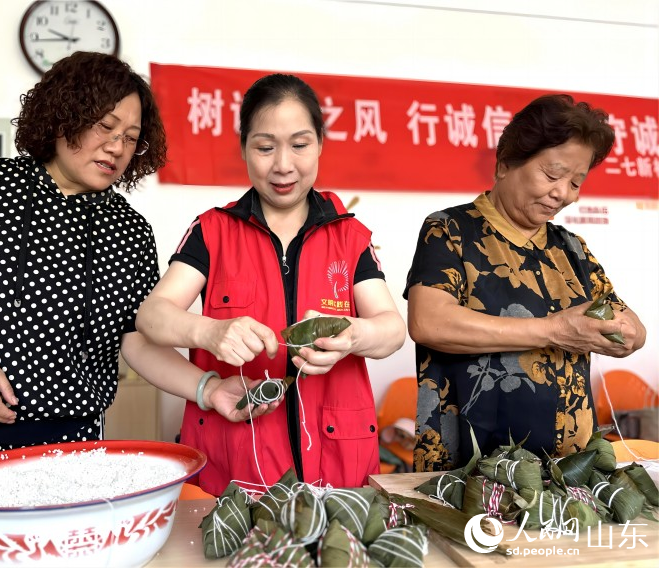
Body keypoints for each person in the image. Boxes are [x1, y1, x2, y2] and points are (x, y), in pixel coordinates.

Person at [0, 51, 270, 494]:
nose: (117, 146)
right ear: (63, 115)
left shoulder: (128, 232)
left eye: (131, 137)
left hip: (69, 456)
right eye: (105, 127)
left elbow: (138, 343)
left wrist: (209, 388)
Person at [135, 73, 406, 496]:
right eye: (265, 147)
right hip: (237, 471)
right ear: (244, 148)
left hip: (338, 470)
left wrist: (357, 335)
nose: (283, 164)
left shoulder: (350, 237)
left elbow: (392, 329)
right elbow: (151, 316)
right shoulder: (213, 231)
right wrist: (208, 331)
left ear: (320, 143)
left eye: (300, 144)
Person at [403, 94, 647, 472]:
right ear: (505, 164)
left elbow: (630, 324)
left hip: (568, 471)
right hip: (472, 468)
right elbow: (429, 323)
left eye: (575, 183)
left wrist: (626, 334)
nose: (562, 193)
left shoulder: (571, 248)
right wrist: (554, 330)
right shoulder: (451, 230)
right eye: (552, 175)